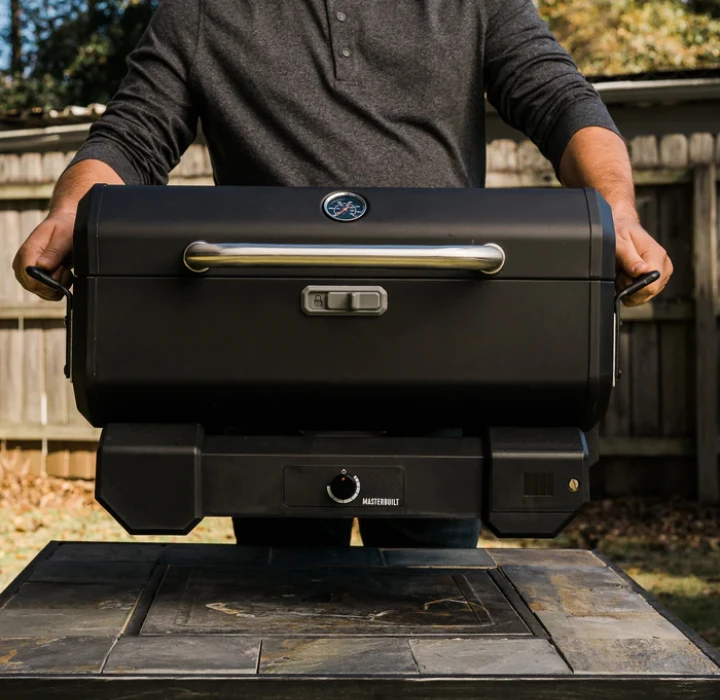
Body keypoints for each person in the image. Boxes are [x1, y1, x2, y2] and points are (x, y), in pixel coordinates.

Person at [13, 0, 672, 549]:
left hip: (440, 366)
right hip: (271, 374)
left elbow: (563, 101)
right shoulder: (202, 11)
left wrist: (618, 214)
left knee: (434, 608)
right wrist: (70, 213)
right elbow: (132, 134)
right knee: (284, 613)